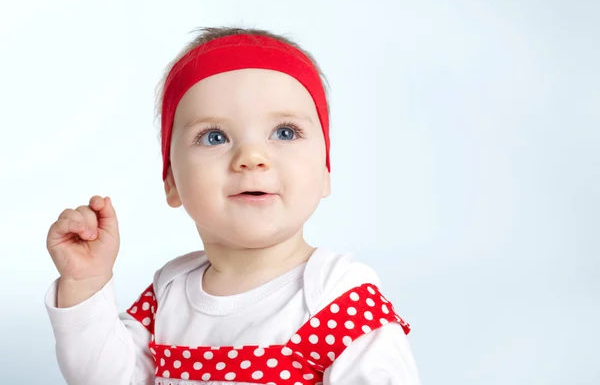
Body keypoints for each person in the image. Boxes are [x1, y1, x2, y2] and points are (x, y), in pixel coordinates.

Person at [44, 27, 421, 385]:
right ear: (172, 181)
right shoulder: (169, 293)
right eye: (214, 136)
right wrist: (86, 284)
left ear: (325, 171)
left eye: (285, 132)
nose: (251, 156)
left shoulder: (335, 294)